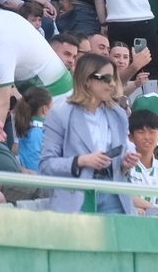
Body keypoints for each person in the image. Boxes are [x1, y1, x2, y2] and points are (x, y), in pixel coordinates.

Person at [39, 51, 132, 213]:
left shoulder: (118, 114)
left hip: (114, 193)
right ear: (88, 80)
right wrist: (80, 161)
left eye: (113, 78)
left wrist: (125, 163)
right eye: (106, 78)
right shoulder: (60, 115)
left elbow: (123, 154)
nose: (112, 84)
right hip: (76, 195)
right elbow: (46, 164)